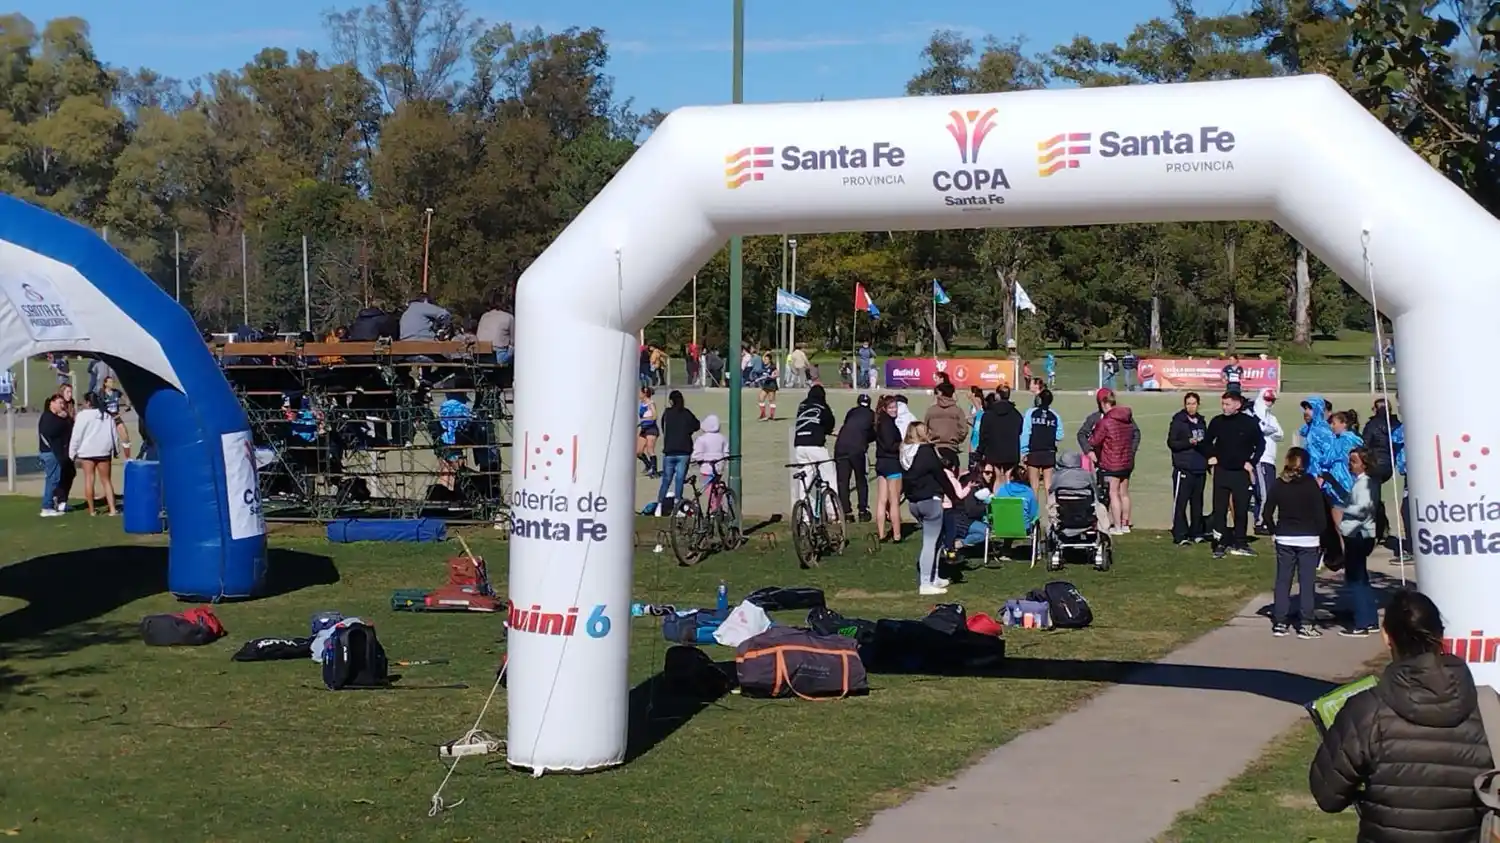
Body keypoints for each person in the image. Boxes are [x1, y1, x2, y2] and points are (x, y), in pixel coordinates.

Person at [1310, 589, 1495, 840]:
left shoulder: (1367, 710)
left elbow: (1328, 794)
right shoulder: (1488, 707)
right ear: (1441, 635)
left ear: (1386, 637)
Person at [1261, 447, 1327, 637]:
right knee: (1307, 582)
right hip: (1309, 538)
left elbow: (1266, 513)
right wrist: (1319, 533)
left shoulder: (1279, 483)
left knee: (1283, 580)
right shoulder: (1311, 484)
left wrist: (1274, 531)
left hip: (1285, 537)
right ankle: (1306, 623)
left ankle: (1280, 622)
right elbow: (1320, 515)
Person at [900, 422, 962, 596]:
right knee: (930, 543)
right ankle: (925, 582)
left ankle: (934, 577)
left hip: (914, 502)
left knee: (934, 541)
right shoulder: (926, 451)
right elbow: (940, 475)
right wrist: (954, 497)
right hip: (930, 500)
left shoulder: (904, 452)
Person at [1205, 390, 1265, 558]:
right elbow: (1206, 443)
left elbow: (1260, 445)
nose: (1224, 407)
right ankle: (1220, 543)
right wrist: (1211, 456)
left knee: (1241, 509)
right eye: (1223, 404)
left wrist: (1251, 463)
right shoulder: (1217, 422)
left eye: (1228, 404)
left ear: (1237, 405)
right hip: (1222, 471)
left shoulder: (1249, 423)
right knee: (1220, 509)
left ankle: (1240, 542)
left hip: (1240, 473)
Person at [1338, 448, 1380, 637]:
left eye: (1354, 461)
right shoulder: (1363, 483)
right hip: (1361, 534)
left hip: (1358, 535)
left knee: (1355, 580)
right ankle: (1370, 620)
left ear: (1364, 464)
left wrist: (1345, 508)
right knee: (1361, 579)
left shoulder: (1364, 484)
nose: (1350, 464)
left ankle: (1362, 623)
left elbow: (1363, 509)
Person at [1089, 392, 1138, 535]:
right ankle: (1125, 523)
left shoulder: (1106, 422)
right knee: (1124, 493)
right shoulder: (1127, 420)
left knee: (1113, 493)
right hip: (1126, 461)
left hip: (1112, 461)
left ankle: (1117, 526)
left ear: (1105, 404)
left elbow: (1095, 441)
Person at [1167, 392, 1210, 545]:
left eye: (1194, 403)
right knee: (1181, 503)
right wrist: (1188, 442)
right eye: (1188, 403)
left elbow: (1206, 443)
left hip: (1199, 468)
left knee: (1197, 502)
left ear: (1198, 404)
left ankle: (1196, 532)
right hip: (1183, 468)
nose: (1191, 406)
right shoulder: (1179, 421)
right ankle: (1180, 534)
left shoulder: (1201, 421)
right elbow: (1172, 443)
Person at [68, 392, 120, 516]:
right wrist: (116, 449)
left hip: (87, 452)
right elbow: (114, 434)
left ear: (88, 402)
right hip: (103, 451)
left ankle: (92, 510)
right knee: (106, 480)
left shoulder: (82, 416)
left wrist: (72, 452)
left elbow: (76, 435)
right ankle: (112, 508)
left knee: (89, 479)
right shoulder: (106, 415)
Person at [834, 394, 875, 522]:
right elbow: (873, 432)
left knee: (843, 481)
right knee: (861, 479)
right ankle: (862, 510)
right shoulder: (871, 414)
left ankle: (846, 513)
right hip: (857, 448)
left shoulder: (851, 412)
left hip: (841, 446)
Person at [656, 391, 699, 513]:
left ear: (671, 401)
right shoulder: (686, 413)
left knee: (666, 479)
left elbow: (663, 427)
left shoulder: (667, 413)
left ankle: (659, 504)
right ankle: (677, 502)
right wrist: (687, 431)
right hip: (684, 450)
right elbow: (696, 425)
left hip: (669, 450)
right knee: (679, 479)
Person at [1363, 397, 1399, 540]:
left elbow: (1365, 443)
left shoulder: (1372, 425)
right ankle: (1382, 528)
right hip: (1389, 466)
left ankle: (1378, 530)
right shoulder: (1396, 424)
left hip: (1375, 465)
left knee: (1372, 498)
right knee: (1375, 497)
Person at [793, 384, 838, 496]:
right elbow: (830, 423)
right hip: (815, 445)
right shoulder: (822, 406)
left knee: (806, 480)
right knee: (829, 476)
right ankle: (832, 510)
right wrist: (827, 431)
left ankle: (804, 510)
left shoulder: (802, 405)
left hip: (799, 445)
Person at [1020, 388, 1063, 505]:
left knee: (1034, 487)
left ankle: (1034, 518)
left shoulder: (1031, 413)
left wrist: (1023, 451)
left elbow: (1026, 432)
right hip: (1049, 452)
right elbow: (1060, 435)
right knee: (1048, 486)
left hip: (1034, 452)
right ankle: (1051, 517)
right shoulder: (1055, 416)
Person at [1251, 388, 1284, 533]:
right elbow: (1260, 428)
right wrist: (1269, 430)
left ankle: (1264, 519)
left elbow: (1280, 434)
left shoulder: (1272, 416)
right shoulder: (1256, 412)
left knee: (1269, 490)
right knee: (1264, 492)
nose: (1270, 403)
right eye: (1268, 399)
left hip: (1270, 458)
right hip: (1261, 458)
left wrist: (1269, 430)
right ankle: (1261, 522)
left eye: (1272, 400)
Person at [873, 396, 904, 543]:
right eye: (891, 407)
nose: (894, 410)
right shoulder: (889, 425)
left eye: (895, 407)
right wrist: (902, 445)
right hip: (892, 464)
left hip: (880, 464)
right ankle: (897, 534)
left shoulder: (879, 422)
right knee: (894, 501)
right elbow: (890, 445)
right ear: (885, 408)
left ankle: (881, 534)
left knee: (881, 500)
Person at [978, 387, 1023, 483]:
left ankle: (998, 496)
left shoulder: (989, 414)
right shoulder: (1015, 414)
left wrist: (980, 451)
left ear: (997, 395)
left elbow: (983, 435)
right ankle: (1008, 495)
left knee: (997, 477)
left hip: (995, 450)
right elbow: (1020, 430)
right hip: (1011, 451)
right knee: (1008, 477)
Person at [37, 395, 71, 517]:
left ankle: (54, 503)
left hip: (55, 452)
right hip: (50, 452)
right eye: (59, 403)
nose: (62, 406)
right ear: (52, 403)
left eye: (63, 403)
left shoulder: (54, 418)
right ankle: (47, 506)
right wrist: (63, 420)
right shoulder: (48, 417)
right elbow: (52, 431)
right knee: (52, 480)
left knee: (55, 479)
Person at [923, 381, 970, 464]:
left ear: (940, 393)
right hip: (951, 448)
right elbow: (964, 430)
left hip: (934, 449)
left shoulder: (931, 410)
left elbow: (925, 429)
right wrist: (956, 439)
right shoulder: (958, 411)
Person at [691, 415, 730, 510]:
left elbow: (697, 454)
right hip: (719, 466)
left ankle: (713, 508)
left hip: (706, 467)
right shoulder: (722, 438)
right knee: (717, 486)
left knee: (709, 489)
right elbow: (726, 452)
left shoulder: (702, 439)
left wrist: (696, 460)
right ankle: (717, 506)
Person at [475, 291, 515, 365]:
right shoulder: (509, 317)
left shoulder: (484, 316)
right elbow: (513, 341)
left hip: (480, 355)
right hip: (497, 355)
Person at [636, 386, 659, 479]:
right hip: (644, 429)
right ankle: (648, 464)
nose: (639, 394)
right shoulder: (642, 403)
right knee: (638, 452)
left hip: (651, 429)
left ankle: (654, 470)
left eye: (640, 393)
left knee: (650, 450)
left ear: (644, 393)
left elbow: (654, 416)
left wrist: (644, 420)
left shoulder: (651, 403)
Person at [965, 386, 986, 469]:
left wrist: (968, 417)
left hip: (978, 428)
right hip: (976, 427)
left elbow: (979, 412)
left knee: (974, 447)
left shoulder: (976, 399)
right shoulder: (973, 402)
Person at [756, 352, 779, 420]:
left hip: (772, 385)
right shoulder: (764, 366)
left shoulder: (772, 367)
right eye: (764, 359)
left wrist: (772, 376)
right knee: (761, 398)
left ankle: (772, 416)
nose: (765, 360)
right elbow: (762, 358)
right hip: (766, 384)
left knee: (771, 400)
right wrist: (758, 379)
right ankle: (763, 414)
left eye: (766, 359)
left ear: (770, 360)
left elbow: (777, 374)